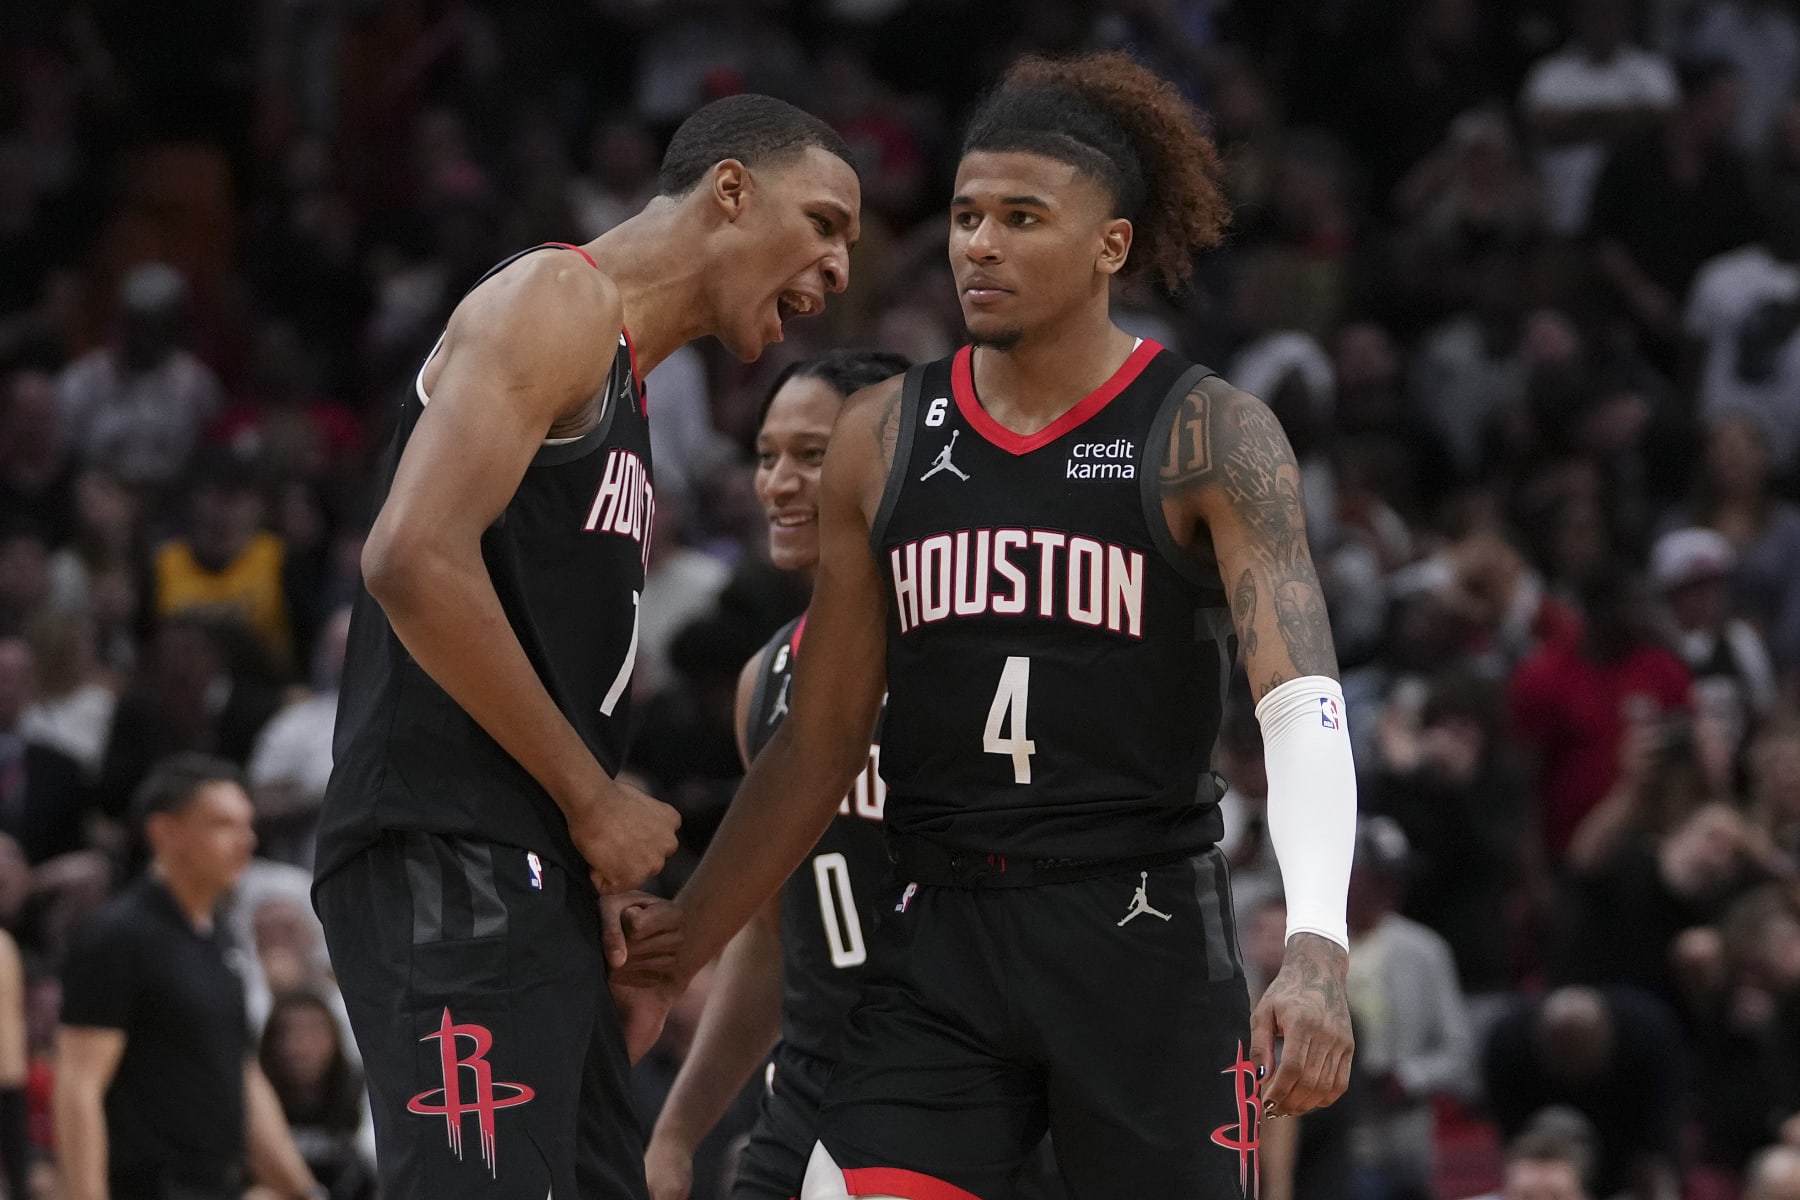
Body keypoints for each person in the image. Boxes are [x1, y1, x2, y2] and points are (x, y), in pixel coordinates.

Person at [634, 53, 1357, 1198]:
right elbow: (817, 747)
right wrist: (678, 946)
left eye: (1023, 218)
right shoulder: (883, 436)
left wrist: (1316, 941)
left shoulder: (1207, 434)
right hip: (944, 937)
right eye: (968, 216)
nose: (980, 243)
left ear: (1109, 246)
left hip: (1140, 930)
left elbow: (1301, 702)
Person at [311, 93, 860, 1200]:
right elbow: (410, 557)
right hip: (445, 851)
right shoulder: (558, 295)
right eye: (825, 222)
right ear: (731, 191)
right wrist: (593, 802)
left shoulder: (625, 387)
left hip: (527, 865)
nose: (841, 265)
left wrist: (583, 852)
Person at [644, 349, 910, 1200]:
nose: (780, 483)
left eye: (813, 454)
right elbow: (768, 932)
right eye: (767, 456)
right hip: (812, 1081)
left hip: (957, 1078)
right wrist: (679, 1129)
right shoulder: (766, 678)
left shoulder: (964, 651)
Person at [54, 754, 320, 1200]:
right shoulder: (119, 936)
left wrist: (305, 1191)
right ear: (165, 832)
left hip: (216, 1185)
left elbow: (240, 1075)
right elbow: (78, 1085)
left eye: (247, 824)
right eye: (223, 825)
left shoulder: (222, 937)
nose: (246, 840)